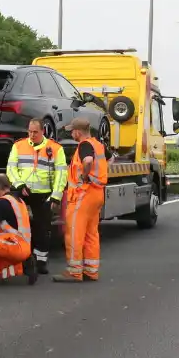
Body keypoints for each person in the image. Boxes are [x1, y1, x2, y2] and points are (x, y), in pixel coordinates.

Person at [5, 118, 68, 274]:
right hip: (23, 191)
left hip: (43, 195)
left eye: (35, 132)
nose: (32, 135)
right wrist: (19, 184)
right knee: (16, 226)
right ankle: (19, 258)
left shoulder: (55, 148)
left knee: (43, 228)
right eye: (30, 131)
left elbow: (61, 174)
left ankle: (41, 262)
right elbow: (11, 168)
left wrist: (56, 195)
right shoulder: (18, 146)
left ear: (42, 132)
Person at [54, 117, 108, 283]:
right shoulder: (98, 145)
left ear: (78, 131)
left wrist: (85, 177)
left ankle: (74, 271)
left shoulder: (84, 145)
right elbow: (110, 159)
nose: (71, 133)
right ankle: (91, 271)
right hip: (96, 193)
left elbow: (88, 161)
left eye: (72, 130)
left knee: (74, 233)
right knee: (91, 234)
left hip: (83, 194)